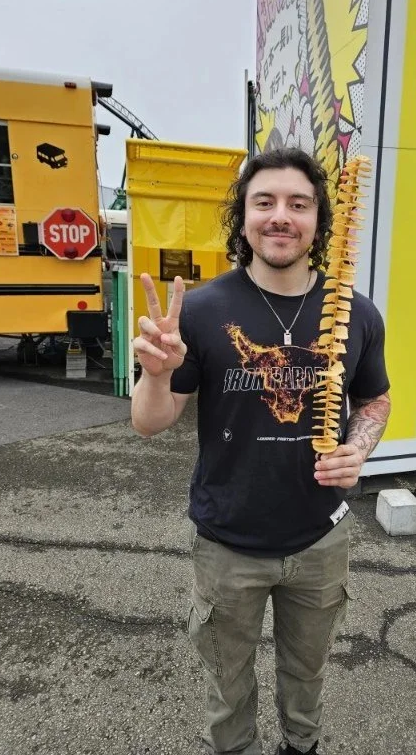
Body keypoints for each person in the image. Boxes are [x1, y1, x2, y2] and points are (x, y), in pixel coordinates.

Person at [131, 148, 391, 755]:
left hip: (320, 539)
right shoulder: (201, 310)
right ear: (243, 217)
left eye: (298, 204)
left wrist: (359, 447)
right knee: (227, 683)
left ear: (320, 220)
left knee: (307, 677)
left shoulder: (355, 312)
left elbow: (375, 400)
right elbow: (150, 423)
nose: (281, 216)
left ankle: (301, 748)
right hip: (227, 542)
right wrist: (158, 375)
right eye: (264, 202)